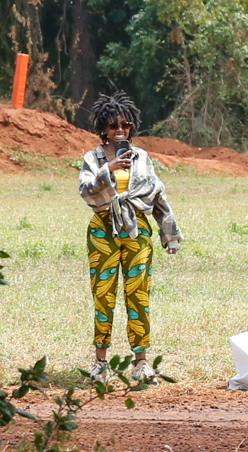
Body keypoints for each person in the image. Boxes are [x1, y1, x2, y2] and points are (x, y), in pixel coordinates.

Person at [78, 92, 183, 383]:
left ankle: (141, 363)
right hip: (103, 230)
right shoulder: (93, 158)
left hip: (137, 230)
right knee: (103, 295)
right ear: (103, 128)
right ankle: (100, 364)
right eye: (113, 126)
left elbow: (157, 193)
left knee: (138, 295)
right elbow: (86, 191)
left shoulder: (142, 157)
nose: (120, 130)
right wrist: (107, 170)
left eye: (125, 125)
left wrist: (169, 234)